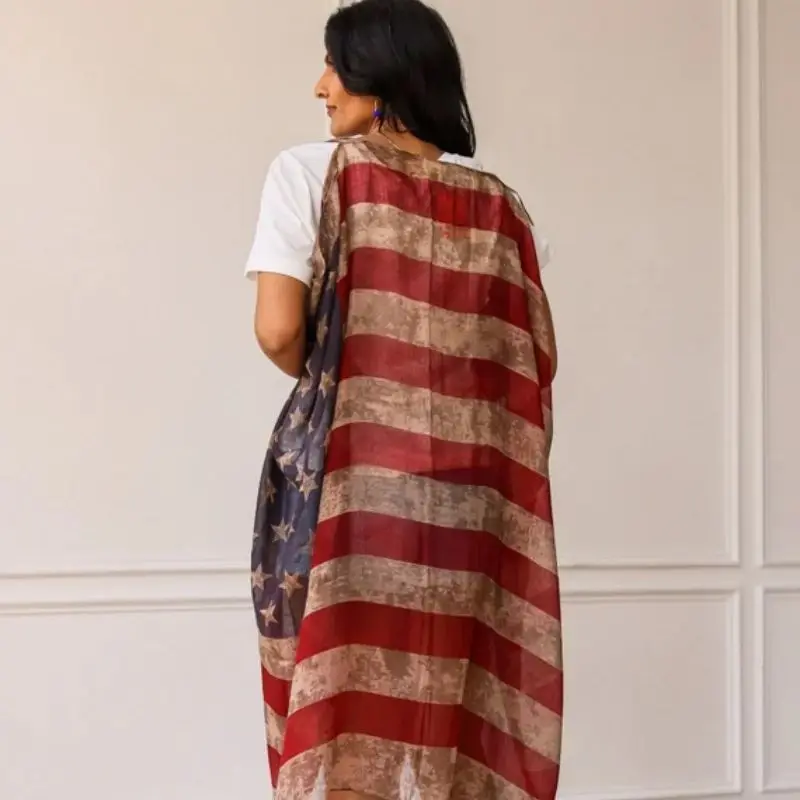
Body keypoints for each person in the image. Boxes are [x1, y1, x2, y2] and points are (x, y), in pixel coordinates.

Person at [245, 1, 562, 798]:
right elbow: (529, 363)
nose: (320, 86)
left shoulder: (310, 171)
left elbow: (279, 330)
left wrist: (356, 380)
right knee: (445, 713)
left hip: (344, 489)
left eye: (334, 64)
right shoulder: (504, 207)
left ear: (379, 76)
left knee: (338, 712)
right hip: (466, 503)